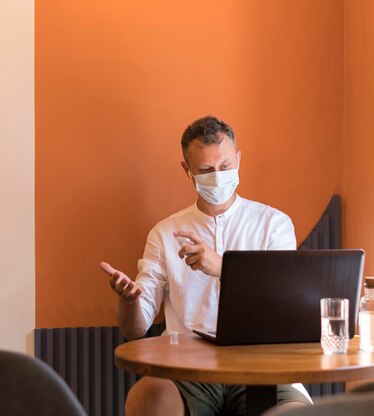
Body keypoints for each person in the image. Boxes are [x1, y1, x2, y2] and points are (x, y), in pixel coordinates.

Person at [100, 115, 312, 416]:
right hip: (187, 368)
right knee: (146, 397)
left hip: (263, 365)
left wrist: (221, 267)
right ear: (187, 171)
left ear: (238, 159)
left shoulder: (273, 224)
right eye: (205, 170)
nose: (217, 176)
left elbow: (285, 302)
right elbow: (135, 329)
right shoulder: (164, 233)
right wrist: (128, 300)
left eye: (225, 167)